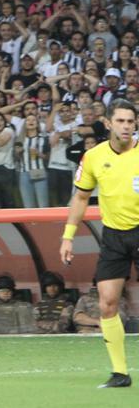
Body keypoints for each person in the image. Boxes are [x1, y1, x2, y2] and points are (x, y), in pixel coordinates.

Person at [61, 100, 139, 387]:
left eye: (131, 121)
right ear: (108, 123)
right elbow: (81, 198)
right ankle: (120, 373)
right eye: (121, 121)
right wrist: (68, 236)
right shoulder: (93, 157)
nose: (127, 126)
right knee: (107, 304)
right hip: (114, 236)